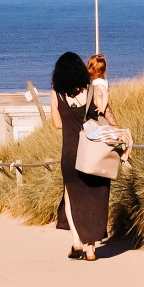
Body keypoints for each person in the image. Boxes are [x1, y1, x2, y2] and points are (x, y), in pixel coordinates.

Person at [51, 50, 110, 261]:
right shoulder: (93, 89)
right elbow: (106, 115)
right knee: (93, 197)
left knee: (71, 196)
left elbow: (57, 124)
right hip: (91, 151)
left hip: (70, 152)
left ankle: (76, 242)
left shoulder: (57, 93)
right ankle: (91, 248)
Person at [87, 53, 117, 127]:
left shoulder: (98, 82)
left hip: (101, 104)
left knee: (107, 117)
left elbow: (105, 94)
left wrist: (103, 107)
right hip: (100, 103)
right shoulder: (101, 80)